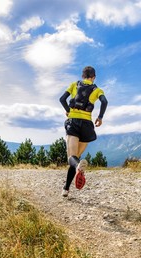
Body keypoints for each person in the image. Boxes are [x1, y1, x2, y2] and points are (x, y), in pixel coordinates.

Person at [59, 66, 108, 197]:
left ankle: (72, 177)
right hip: (87, 125)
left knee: (72, 158)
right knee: (75, 160)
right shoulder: (97, 90)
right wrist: (100, 117)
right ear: (94, 77)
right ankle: (66, 189)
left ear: (82, 76)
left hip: (73, 122)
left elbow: (62, 99)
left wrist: (68, 111)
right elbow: (104, 101)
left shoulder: (74, 85)